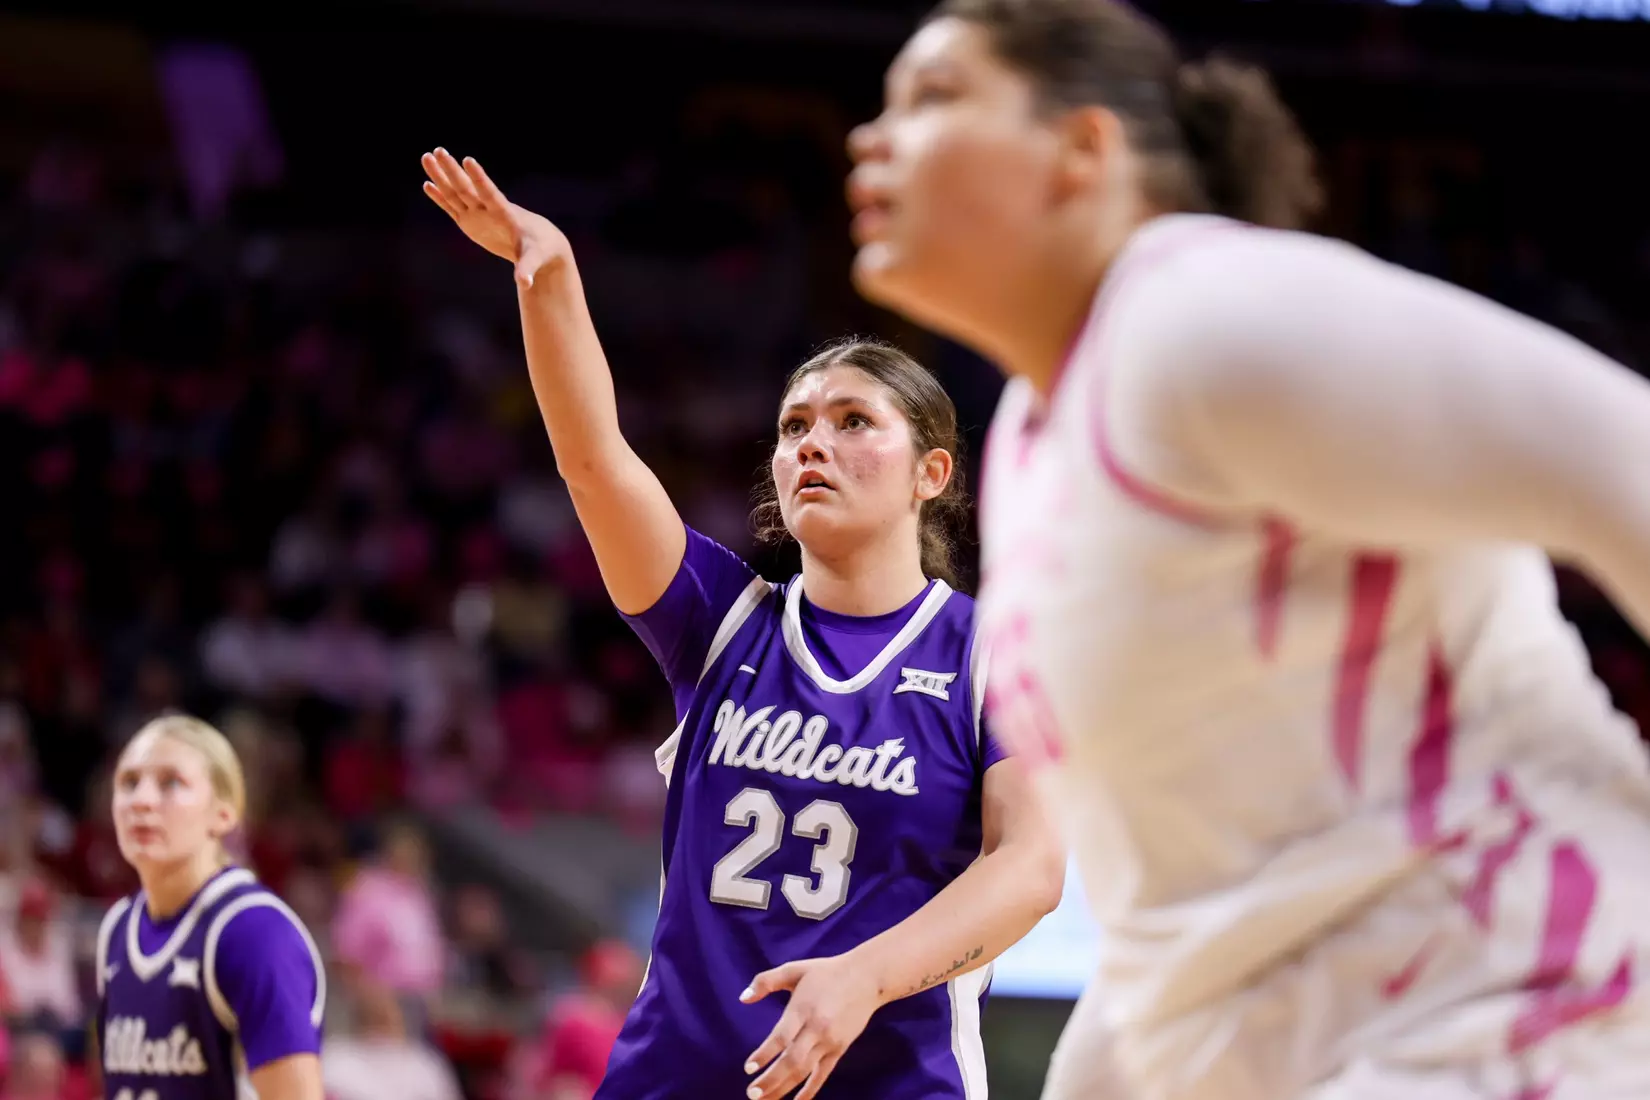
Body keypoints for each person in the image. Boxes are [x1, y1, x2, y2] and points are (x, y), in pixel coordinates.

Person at [845, 2, 1650, 1099]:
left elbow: (1628, 463)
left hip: (1527, 1016)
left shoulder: (1207, 312)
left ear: (1085, 150)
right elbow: (1162, 935)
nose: (872, 138)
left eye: (934, 99)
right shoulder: (1040, 445)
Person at [419, 148, 1064, 1100]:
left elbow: (1035, 864)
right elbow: (595, 463)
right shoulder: (718, 619)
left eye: (853, 422)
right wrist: (547, 276)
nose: (813, 443)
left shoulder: (993, 647)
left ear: (932, 474)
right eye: (795, 425)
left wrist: (867, 976)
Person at [94, 714, 327, 1100]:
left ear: (224, 813)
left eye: (171, 782)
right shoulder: (117, 928)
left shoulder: (252, 932)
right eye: (129, 783)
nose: (142, 801)